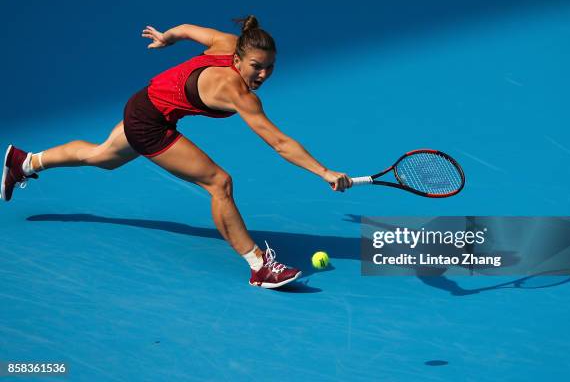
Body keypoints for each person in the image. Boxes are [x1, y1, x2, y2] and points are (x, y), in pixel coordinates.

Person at [1, 15, 352, 289]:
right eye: (256, 66)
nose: (262, 74)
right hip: (149, 123)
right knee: (219, 183)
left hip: (144, 102)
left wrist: (167, 37)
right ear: (241, 57)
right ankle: (259, 266)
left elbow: (185, 29)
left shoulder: (227, 42)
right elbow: (279, 142)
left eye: (269, 67)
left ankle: (25, 161)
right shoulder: (238, 93)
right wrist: (323, 172)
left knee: (103, 158)